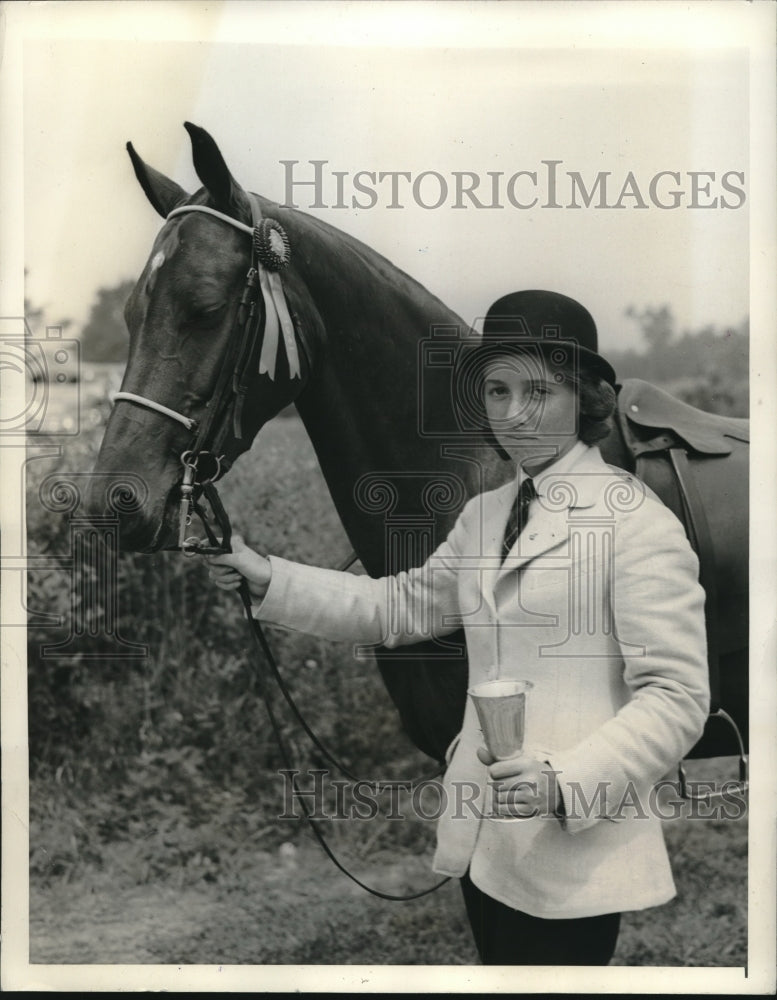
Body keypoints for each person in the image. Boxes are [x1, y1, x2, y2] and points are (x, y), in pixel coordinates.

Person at [207, 289, 709, 966]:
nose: (511, 413)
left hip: (571, 847)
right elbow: (396, 608)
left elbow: (676, 697)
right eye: (496, 391)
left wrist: (567, 779)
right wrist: (269, 576)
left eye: (537, 391)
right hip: (483, 841)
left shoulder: (636, 525)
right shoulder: (483, 513)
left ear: (585, 398)